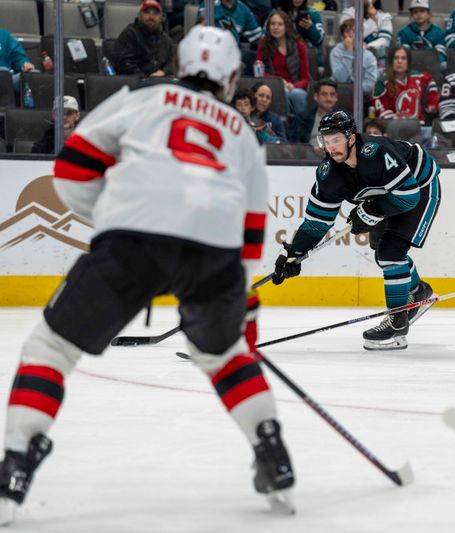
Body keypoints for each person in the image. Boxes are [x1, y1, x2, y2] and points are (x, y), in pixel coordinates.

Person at [0, 26, 294, 524]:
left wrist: (118, 217)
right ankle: (273, 455)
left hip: (133, 242)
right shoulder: (241, 131)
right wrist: (239, 294)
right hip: (214, 254)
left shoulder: (143, 98)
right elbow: (251, 226)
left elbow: (71, 171)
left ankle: (15, 464)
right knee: (225, 357)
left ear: (179, 65)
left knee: (50, 349)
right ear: (231, 77)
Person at [273, 110, 441, 351]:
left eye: (336, 140)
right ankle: (418, 292)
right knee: (381, 251)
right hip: (386, 195)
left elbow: (407, 197)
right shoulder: (329, 173)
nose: (331, 148)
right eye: (326, 141)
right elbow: (316, 223)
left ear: (351, 137)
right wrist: (293, 253)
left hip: (419, 188)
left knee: (390, 253)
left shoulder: (376, 152)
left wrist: (370, 212)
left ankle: (397, 324)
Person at [256, 10, 311, 117]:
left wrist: (293, 85)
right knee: (282, 91)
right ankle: (285, 126)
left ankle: (301, 128)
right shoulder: (263, 43)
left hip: (294, 87)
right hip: (272, 85)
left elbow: (306, 79)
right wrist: (277, 81)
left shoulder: (299, 46)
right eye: (272, 24)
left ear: (287, 27)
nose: (275, 27)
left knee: (297, 94)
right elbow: (259, 73)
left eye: (280, 24)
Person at [372, 46, 438, 123]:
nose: (399, 61)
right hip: (394, 127)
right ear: (391, 61)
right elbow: (379, 110)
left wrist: (433, 103)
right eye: (396, 58)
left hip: (419, 125)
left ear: (408, 62)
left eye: (403, 58)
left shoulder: (417, 76)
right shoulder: (382, 82)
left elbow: (431, 82)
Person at [112, 0, 176, 78]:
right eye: (147, 12)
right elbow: (123, 64)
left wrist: (164, 72)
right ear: (139, 16)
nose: (151, 17)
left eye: (155, 13)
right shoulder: (130, 34)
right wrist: (145, 79)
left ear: (161, 18)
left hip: (160, 83)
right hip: (135, 83)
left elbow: (173, 63)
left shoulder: (166, 40)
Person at [329, 18, 379, 95]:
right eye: (347, 32)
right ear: (342, 36)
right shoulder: (336, 52)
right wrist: (349, 52)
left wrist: (351, 88)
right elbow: (340, 79)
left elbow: (370, 84)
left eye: (354, 32)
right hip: (338, 93)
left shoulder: (369, 57)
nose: (351, 35)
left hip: (360, 95)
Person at [396, 0, 447, 72]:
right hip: (411, 68)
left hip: (433, 67)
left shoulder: (438, 32)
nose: (418, 14)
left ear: (429, 14)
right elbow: (403, 54)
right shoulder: (404, 32)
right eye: (415, 12)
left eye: (422, 11)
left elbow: (441, 55)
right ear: (411, 15)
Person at [288, 78, 339, 146]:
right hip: (308, 155)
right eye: (324, 94)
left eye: (332, 95)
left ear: (336, 98)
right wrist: (312, 149)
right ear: (315, 96)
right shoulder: (302, 118)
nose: (328, 98)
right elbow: (294, 143)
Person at [277, 0, 325, 67]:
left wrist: (311, 28)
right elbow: (267, 37)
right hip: (284, 56)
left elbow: (319, 41)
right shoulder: (278, 14)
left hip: (309, 57)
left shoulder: (313, 13)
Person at [0, 27, 34, 93]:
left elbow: (18, 56)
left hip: (7, 80)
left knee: (33, 77)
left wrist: (23, 64)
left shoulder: (4, 35)